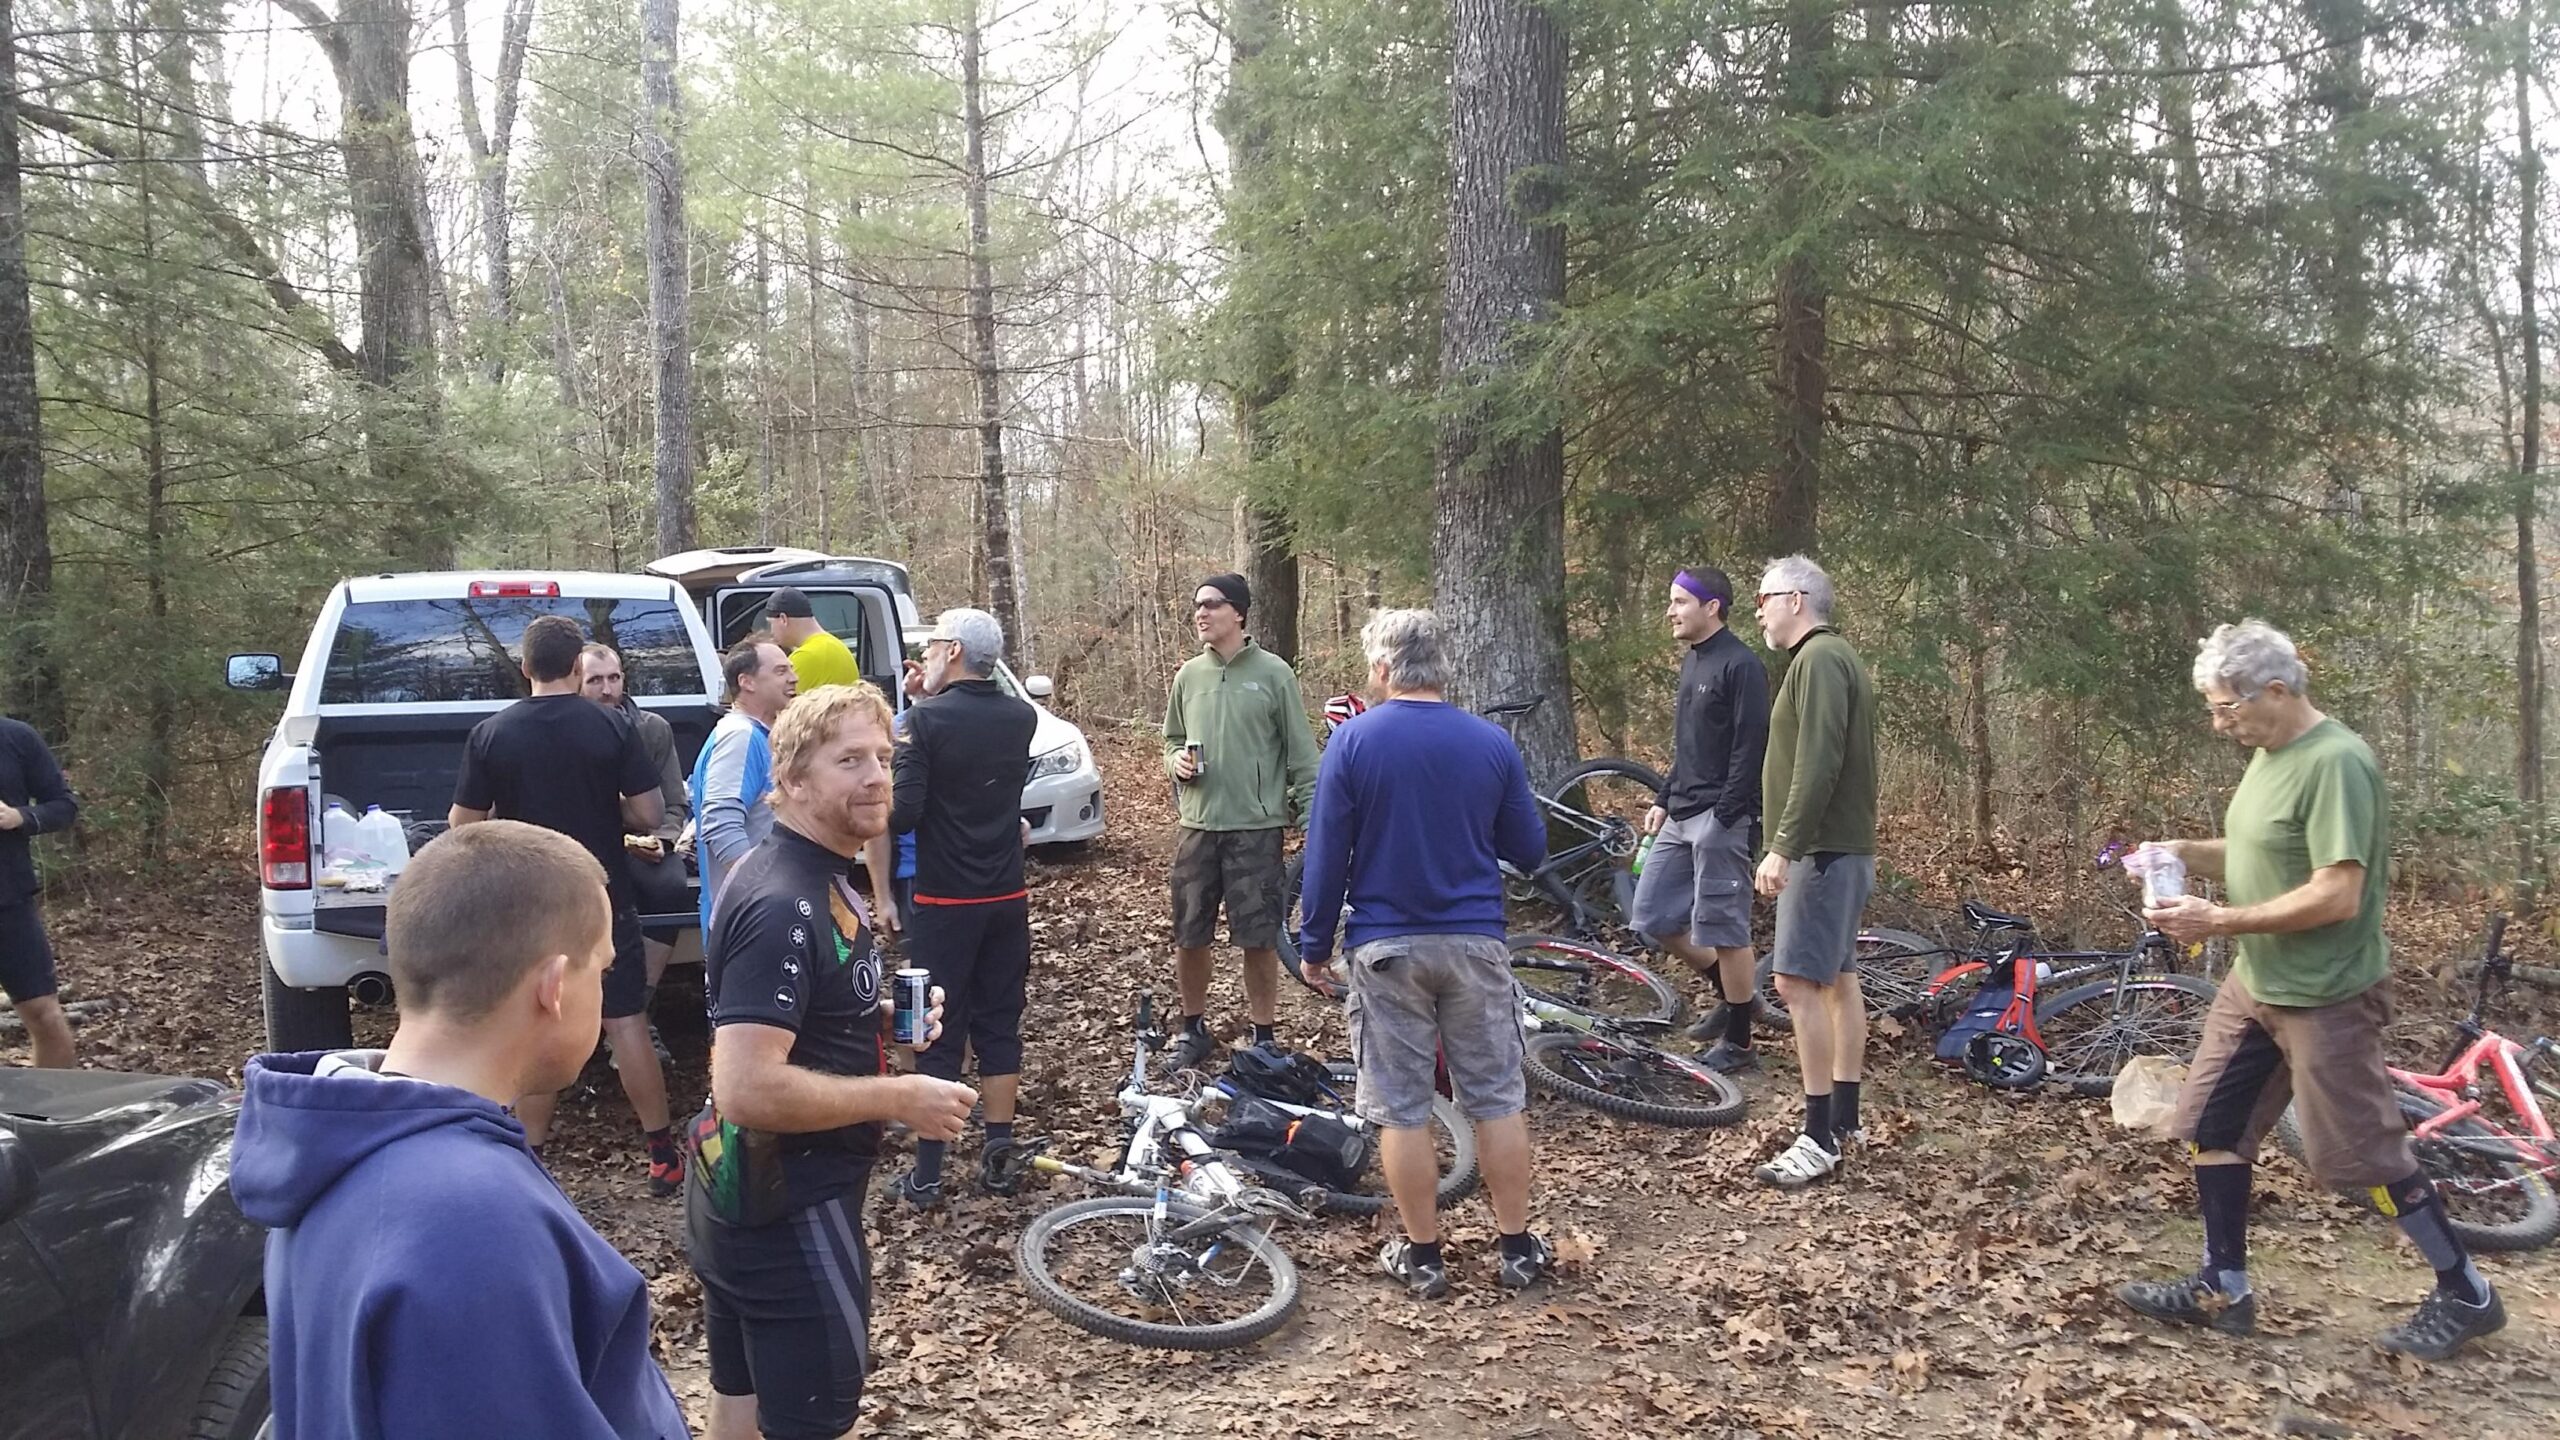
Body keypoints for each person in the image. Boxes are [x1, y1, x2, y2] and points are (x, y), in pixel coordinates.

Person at [2117, 621, 2505, 1361]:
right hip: (2255, 985)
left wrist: (2220, 918)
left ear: (2275, 690)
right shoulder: (2269, 756)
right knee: (2211, 1125)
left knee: (2357, 1158)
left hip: (2324, 993)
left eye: (2227, 707)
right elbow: (2264, 848)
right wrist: (2182, 853)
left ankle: (2466, 1292)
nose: (2219, 722)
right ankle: (2223, 1287)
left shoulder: (2338, 763)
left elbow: (2337, 893)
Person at [232, 820, 691, 1439]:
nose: (603, 991)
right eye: (601, 971)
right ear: (555, 987)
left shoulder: (331, 1151)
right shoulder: (470, 1223)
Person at [685, 681, 976, 1440]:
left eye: (883, 756)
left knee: (739, 1400)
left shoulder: (815, 873)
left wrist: (871, 1017)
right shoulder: (784, 899)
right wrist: (897, 1094)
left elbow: (790, 1014)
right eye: (849, 760)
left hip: (744, 1191)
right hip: (787, 1208)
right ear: (791, 781)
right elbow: (745, 1085)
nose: (877, 775)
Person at [1299, 609, 1553, 1297]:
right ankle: (1517, 1249)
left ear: (1382, 669)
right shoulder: (1490, 744)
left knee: (1400, 1107)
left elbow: (1326, 858)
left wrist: (1313, 946)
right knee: (1497, 1098)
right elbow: (1530, 849)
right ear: (1443, 667)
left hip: (1386, 949)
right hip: (1475, 942)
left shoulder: (1352, 743)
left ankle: (1423, 1257)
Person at [450, 614, 677, 1194]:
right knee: (626, 1020)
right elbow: (651, 816)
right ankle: (661, 1152)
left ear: (524, 668)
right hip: (598, 896)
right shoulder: (611, 727)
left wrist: (509, 821)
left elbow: (463, 826)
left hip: (527, 903)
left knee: (535, 1026)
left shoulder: (492, 734)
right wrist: (608, 810)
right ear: (579, 668)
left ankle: (529, 1160)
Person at [888, 609, 1039, 1207]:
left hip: (944, 899)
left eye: (929, 650)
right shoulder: (1021, 716)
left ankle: (927, 1175)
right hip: (1006, 895)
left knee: (931, 1030)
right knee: (1000, 1021)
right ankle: (997, 1160)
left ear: (951, 651)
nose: (922, 659)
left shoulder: (924, 722)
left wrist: (910, 718)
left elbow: (904, 813)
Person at [1749, 555, 1878, 1189]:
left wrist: (1784, 846)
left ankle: (1819, 1136)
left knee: (1796, 982)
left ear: (1796, 600)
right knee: (1837, 978)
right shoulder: (1827, 659)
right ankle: (1845, 1118)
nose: (1759, 609)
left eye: (1764, 596)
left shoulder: (1821, 659)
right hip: (1836, 849)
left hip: (1823, 851)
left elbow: (1819, 759)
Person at [1161, 571, 1321, 1069]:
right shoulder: (1189, 676)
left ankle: (1265, 1036)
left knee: (1258, 937)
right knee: (1190, 935)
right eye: (1196, 606)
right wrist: (1175, 763)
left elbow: (1302, 756)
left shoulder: (1274, 674)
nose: (1200, 613)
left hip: (1256, 828)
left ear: (1240, 613)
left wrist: (1316, 824)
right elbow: (1170, 740)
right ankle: (1193, 1029)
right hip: (1199, 826)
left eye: (1211, 604)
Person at [1629, 567, 1770, 1072]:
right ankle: (1738, 1000)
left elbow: (1751, 747)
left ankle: (1740, 1042)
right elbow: (1688, 746)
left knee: (1726, 930)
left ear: (1712, 607)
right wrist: (1665, 796)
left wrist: (1726, 814)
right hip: (1681, 811)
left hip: (1722, 817)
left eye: (1680, 602)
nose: (1671, 611)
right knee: (1655, 917)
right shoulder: (1694, 662)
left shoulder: (1742, 665)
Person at [582, 643, 690, 1016]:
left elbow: (674, 802)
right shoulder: (566, 732)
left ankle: (639, 1003)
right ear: (575, 682)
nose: (607, 689)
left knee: (671, 886)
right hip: (582, 844)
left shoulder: (651, 729)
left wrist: (662, 840)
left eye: (614, 678)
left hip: (641, 841)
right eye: (595, 680)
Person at [691, 635, 796, 930]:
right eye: (780, 671)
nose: (794, 678)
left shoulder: (756, 734)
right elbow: (720, 823)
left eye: (790, 669)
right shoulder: (739, 736)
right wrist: (763, 890)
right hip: (748, 920)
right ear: (747, 682)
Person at [0, 716, 76, 1068]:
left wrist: (20, 817)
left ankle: (53, 1112)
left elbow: (63, 805)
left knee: (44, 1015)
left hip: (9, 902)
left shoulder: (16, 737)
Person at [765, 587, 861, 692]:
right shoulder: (838, 646)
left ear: (783, 619)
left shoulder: (805, 656)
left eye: (771, 623)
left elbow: (781, 705)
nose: (771, 632)